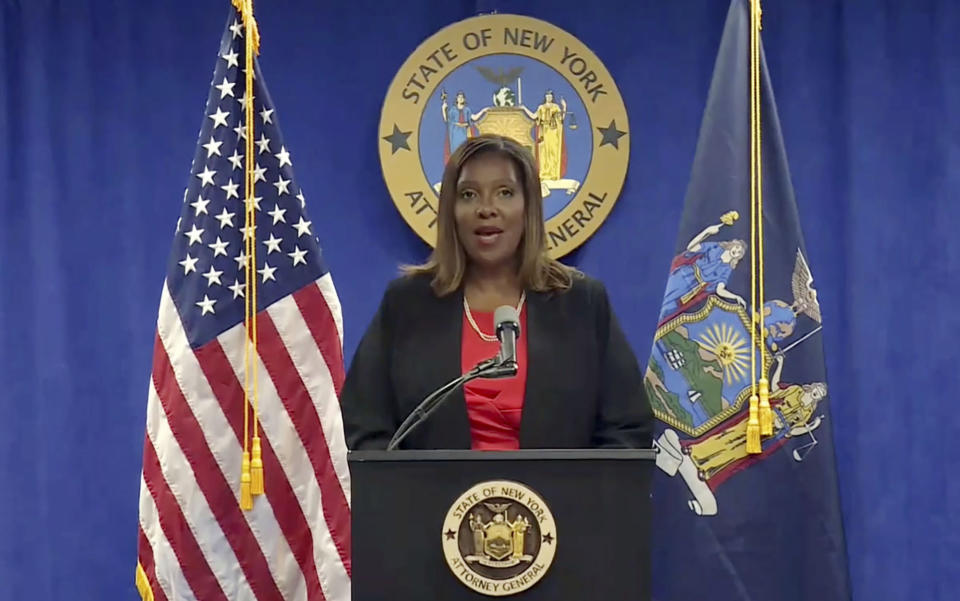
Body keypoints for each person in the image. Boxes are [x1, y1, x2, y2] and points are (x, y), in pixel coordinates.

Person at [340, 134, 652, 450]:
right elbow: (366, 427)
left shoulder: (581, 302)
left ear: (528, 207)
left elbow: (626, 429)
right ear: (451, 211)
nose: (486, 208)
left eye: (505, 193)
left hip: (560, 498)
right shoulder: (407, 303)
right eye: (469, 194)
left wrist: (582, 494)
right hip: (434, 498)